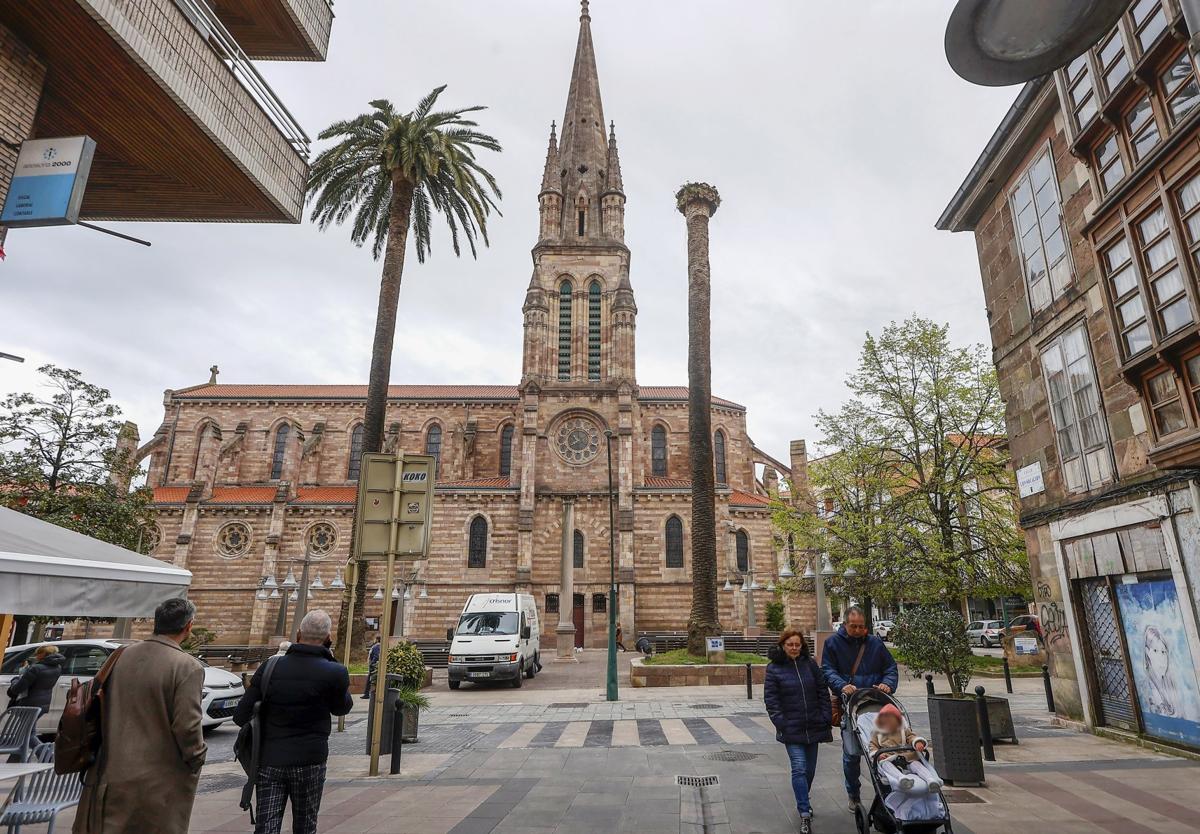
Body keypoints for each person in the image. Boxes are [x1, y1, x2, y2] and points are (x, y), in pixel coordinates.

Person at [73, 598, 207, 834]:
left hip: (108, 771)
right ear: (188, 626)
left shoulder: (120, 655)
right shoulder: (187, 666)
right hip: (156, 782)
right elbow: (187, 726)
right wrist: (196, 757)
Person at [234, 609, 353, 834]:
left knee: (266, 826)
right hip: (310, 761)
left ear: (298, 635)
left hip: (270, 760)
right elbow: (341, 708)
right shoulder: (335, 672)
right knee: (306, 825)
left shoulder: (270, 667)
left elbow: (241, 715)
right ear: (329, 639)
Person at [821, 605, 899, 813]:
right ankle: (853, 794)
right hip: (850, 705)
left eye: (861, 627)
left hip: (876, 703)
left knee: (885, 750)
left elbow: (890, 668)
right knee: (852, 754)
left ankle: (886, 791)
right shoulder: (833, 643)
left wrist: (888, 684)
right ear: (844, 624)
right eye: (853, 626)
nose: (858, 630)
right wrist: (840, 686)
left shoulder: (874, 643)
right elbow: (827, 670)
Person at [764, 629, 831, 833]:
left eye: (797, 645)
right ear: (783, 646)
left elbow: (822, 690)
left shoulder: (810, 665)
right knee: (799, 768)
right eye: (790, 644)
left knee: (809, 771)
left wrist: (825, 716)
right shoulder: (774, 668)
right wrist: (781, 722)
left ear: (802, 646)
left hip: (814, 725)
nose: (794, 648)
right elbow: (771, 700)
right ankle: (804, 811)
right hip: (791, 728)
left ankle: (803, 796)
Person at [868, 704, 943, 820]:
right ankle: (901, 778)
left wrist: (918, 742)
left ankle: (931, 779)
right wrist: (877, 754)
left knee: (916, 764)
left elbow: (912, 737)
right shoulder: (877, 733)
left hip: (907, 757)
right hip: (889, 758)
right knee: (886, 765)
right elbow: (872, 746)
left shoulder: (904, 730)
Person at [6, 644, 65, 715]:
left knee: (25, 725)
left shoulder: (36, 668)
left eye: (38, 653)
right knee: (30, 724)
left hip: (29, 703)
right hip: (43, 703)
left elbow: (17, 689)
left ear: (43, 654)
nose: (36, 656)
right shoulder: (58, 667)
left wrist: (15, 680)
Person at [362, 636, 381, 700]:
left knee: (370, 680)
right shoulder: (379, 646)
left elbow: (376, 656)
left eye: (375, 639)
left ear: (377, 639)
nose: (374, 640)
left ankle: (367, 694)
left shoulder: (376, 646)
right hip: (375, 666)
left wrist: (372, 664)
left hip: (373, 666)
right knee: (371, 680)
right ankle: (367, 694)